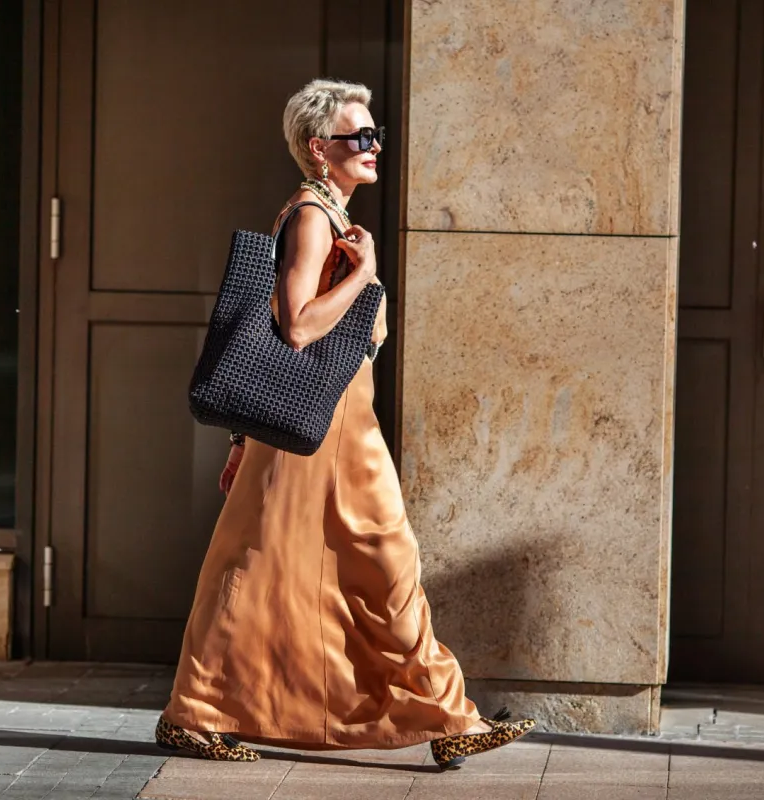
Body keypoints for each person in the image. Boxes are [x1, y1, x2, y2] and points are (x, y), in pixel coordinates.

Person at [155, 79, 535, 770]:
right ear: (317, 148)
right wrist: (364, 276)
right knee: (340, 560)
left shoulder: (329, 215)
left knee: (276, 563)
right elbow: (297, 327)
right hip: (324, 430)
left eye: (375, 134)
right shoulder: (311, 217)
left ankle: (443, 715)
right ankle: (199, 713)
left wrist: (243, 439)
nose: (373, 145)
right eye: (359, 136)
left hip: (338, 427)